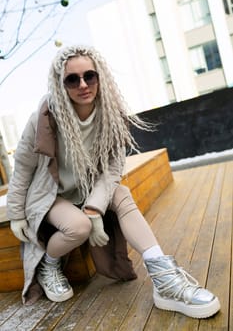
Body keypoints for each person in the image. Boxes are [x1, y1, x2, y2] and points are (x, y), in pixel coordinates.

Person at [7, 45, 220, 318]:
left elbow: (112, 169)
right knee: (79, 226)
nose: (83, 84)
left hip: (88, 189)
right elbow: (23, 166)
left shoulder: (110, 112)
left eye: (89, 76)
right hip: (52, 193)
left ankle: (164, 279)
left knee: (121, 193)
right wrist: (16, 214)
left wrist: (95, 208)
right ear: (60, 84)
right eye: (72, 79)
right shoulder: (45, 117)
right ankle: (49, 264)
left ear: (99, 77)